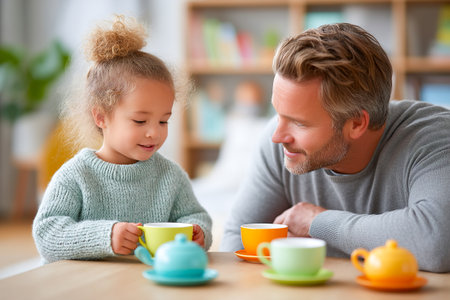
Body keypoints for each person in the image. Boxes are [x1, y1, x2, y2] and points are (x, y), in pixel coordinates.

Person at [221, 23, 450, 273]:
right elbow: (237, 242)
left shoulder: (433, 137)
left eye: (299, 122)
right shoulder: (277, 144)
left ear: (356, 124)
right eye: (278, 114)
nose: (277, 136)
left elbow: (436, 242)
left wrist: (317, 221)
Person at [32, 15, 212, 264]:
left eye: (163, 121)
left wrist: (198, 233)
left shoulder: (170, 176)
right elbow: (46, 234)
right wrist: (105, 236)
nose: (154, 133)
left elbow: (195, 216)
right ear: (101, 117)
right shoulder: (76, 175)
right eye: (140, 121)